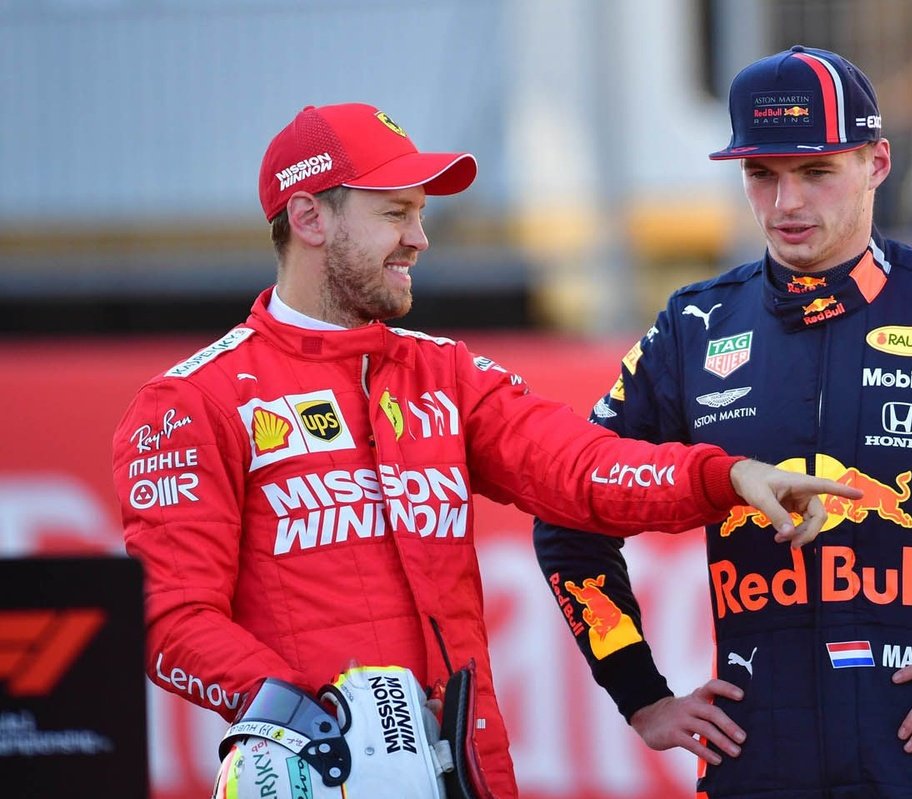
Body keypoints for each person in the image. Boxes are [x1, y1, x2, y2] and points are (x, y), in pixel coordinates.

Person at [110, 101, 862, 799]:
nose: (419, 238)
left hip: (471, 775)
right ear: (309, 217)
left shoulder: (446, 374)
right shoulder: (192, 402)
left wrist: (725, 475)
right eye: (394, 213)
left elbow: (583, 470)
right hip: (318, 777)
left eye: (420, 214)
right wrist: (307, 719)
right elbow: (169, 618)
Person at [532, 45, 912, 797]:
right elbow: (568, 506)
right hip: (753, 765)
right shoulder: (692, 327)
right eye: (761, 174)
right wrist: (640, 693)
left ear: (877, 163)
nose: (785, 204)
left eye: (816, 171)